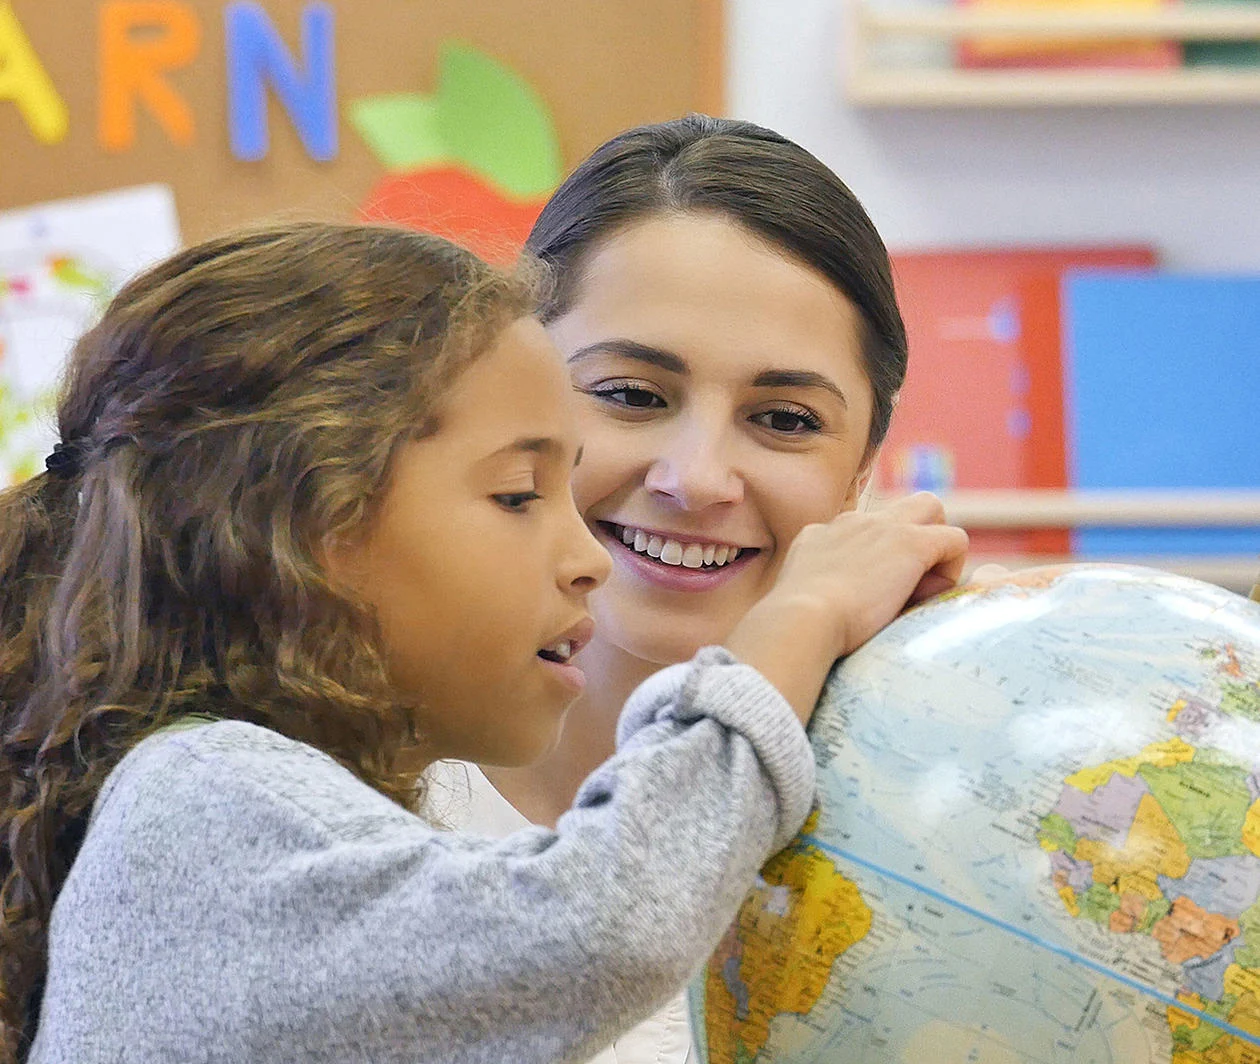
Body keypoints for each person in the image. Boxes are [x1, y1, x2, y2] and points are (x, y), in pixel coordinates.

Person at [0, 221, 968, 1064]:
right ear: (301, 528)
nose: (586, 557)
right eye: (517, 494)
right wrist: (793, 628)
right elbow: (603, 925)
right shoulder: (200, 789)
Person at [430, 114, 935, 1063]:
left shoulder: (953, 808)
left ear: (864, 468)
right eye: (630, 395)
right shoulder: (327, 791)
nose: (697, 479)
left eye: (784, 419)